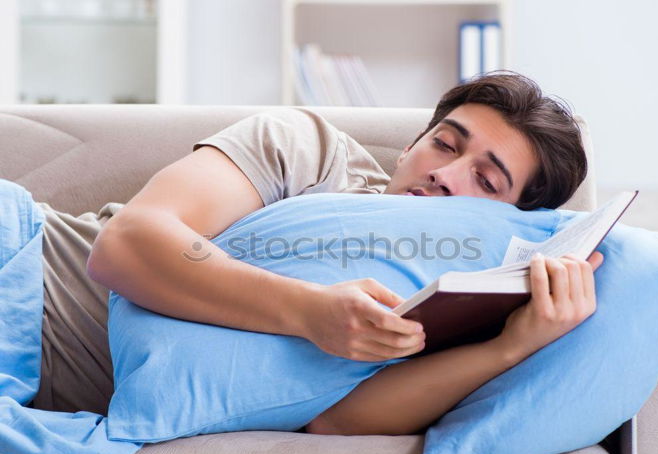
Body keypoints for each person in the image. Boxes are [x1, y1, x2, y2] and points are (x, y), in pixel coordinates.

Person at [32, 71, 602, 435]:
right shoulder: (308, 151)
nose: (444, 175)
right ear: (411, 144)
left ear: (506, 218)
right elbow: (128, 244)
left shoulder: (460, 294)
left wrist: (512, 348)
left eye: (486, 179)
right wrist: (310, 312)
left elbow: (336, 423)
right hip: (31, 273)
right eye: (443, 144)